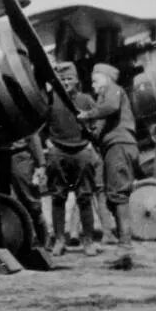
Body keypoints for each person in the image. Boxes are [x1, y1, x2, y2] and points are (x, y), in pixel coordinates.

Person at [77, 63, 136, 261]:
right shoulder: (103, 99)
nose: (92, 86)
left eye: (95, 80)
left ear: (106, 78)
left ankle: (125, 246)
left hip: (119, 146)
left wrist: (87, 114)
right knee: (113, 197)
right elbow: (98, 132)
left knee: (118, 195)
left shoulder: (113, 91)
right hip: (113, 148)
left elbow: (110, 107)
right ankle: (123, 246)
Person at [40, 63, 102, 252]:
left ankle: (88, 241)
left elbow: (99, 121)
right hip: (57, 151)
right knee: (58, 196)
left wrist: (92, 143)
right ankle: (60, 241)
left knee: (84, 196)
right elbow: (39, 124)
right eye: (62, 79)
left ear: (77, 81)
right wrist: (48, 144)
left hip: (82, 151)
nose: (66, 83)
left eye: (70, 79)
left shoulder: (86, 100)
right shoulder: (50, 100)